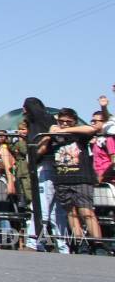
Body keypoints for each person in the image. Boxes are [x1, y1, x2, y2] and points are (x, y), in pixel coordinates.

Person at [42, 108, 106, 255]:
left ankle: (98, 244)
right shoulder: (53, 135)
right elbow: (40, 150)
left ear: (74, 122)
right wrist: (49, 135)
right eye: (61, 121)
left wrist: (66, 130)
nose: (64, 124)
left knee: (86, 212)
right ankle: (80, 242)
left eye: (68, 121)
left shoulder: (79, 135)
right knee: (71, 214)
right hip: (62, 179)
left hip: (81, 178)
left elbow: (92, 128)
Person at [22, 97, 70, 253]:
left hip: (45, 166)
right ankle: (62, 246)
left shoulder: (42, 123)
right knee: (57, 210)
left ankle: (32, 242)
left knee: (42, 205)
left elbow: (41, 148)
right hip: (56, 167)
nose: (23, 111)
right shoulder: (43, 122)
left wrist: (35, 156)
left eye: (25, 108)